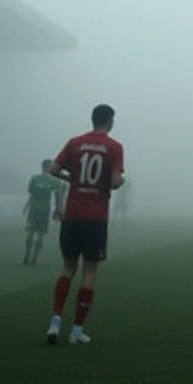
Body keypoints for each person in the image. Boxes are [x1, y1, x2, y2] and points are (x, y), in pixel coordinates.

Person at [43, 104, 126, 346]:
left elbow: (54, 169)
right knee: (89, 271)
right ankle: (77, 330)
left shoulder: (74, 143)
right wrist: (118, 182)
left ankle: (55, 321)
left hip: (73, 214)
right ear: (109, 121)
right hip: (95, 217)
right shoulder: (114, 147)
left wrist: (72, 178)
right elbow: (115, 181)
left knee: (68, 267)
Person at [23, 160, 65, 266]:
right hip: (44, 209)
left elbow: (32, 194)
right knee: (40, 234)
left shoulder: (34, 178)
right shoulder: (54, 181)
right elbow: (58, 196)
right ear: (50, 167)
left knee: (30, 231)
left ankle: (27, 253)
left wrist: (26, 206)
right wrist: (59, 209)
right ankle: (34, 257)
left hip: (34, 208)